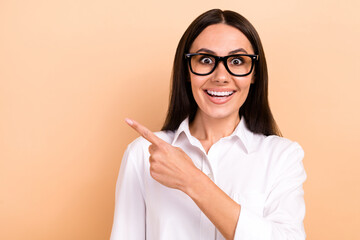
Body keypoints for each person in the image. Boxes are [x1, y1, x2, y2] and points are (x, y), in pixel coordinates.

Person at [110, 9, 307, 240]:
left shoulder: (281, 156)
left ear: (254, 73)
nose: (221, 76)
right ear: (186, 70)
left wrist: (192, 180)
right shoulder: (143, 154)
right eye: (205, 60)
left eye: (236, 61)